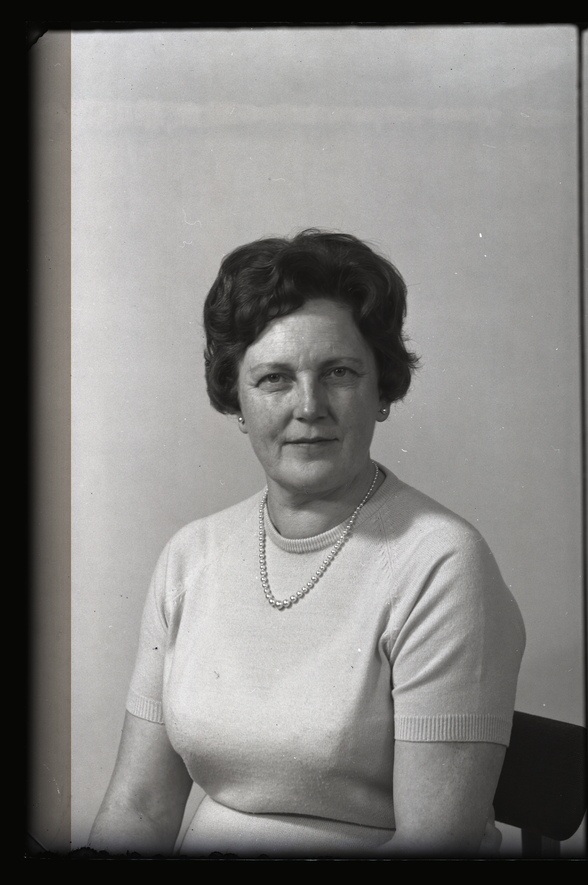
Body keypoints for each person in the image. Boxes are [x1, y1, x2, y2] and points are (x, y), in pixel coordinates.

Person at [89, 230, 525, 856]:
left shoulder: (442, 562)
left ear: (382, 389)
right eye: (274, 378)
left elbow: (436, 842)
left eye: (339, 373)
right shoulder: (190, 556)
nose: (309, 406)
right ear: (237, 399)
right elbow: (139, 805)